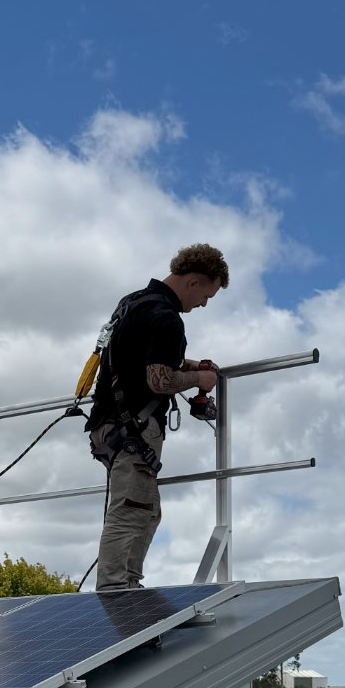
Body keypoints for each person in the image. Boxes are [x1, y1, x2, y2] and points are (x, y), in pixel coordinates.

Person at [88, 243, 229, 590]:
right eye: (206, 295)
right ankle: (115, 591)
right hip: (134, 428)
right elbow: (158, 380)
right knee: (131, 510)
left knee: (147, 510)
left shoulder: (132, 303)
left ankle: (127, 586)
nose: (203, 305)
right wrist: (200, 379)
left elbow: (139, 360)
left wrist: (186, 363)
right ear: (194, 282)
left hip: (109, 423)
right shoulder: (167, 317)